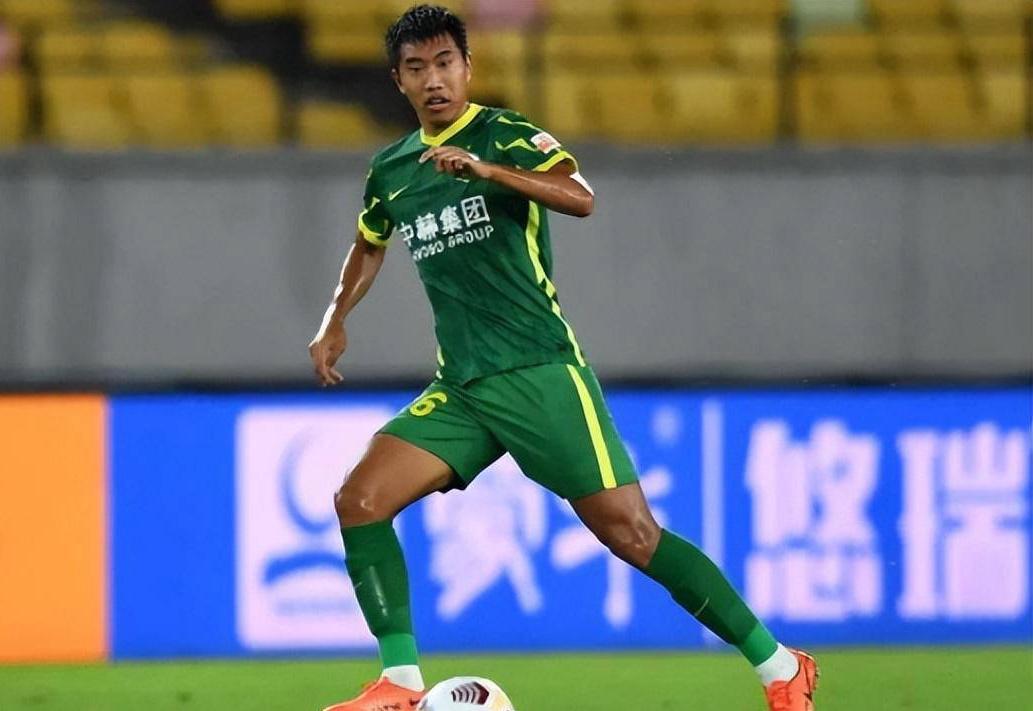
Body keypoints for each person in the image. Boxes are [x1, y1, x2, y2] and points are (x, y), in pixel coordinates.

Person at [307, 6, 819, 710]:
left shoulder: (505, 134)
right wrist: (335, 319)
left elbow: (580, 197)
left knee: (634, 534)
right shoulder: (392, 169)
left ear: (468, 66)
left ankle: (780, 665)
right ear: (399, 81)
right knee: (360, 500)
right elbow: (370, 242)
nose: (434, 79)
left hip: (540, 372)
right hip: (463, 386)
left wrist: (488, 171)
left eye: (445, 62)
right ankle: (400, 682)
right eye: (417, 68)